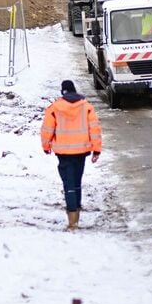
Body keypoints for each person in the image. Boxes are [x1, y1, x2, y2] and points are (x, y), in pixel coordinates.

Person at [41, 80, 102, 231]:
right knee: (76, 180)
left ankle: (72, 220)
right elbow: (95, 129)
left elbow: (47, 129)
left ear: (63, 92)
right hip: (81, 151)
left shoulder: (55, 107)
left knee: (68, 183)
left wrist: (46, 146)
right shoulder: (86, 107)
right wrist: (97, 149)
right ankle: (77, 210)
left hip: (63, 152)